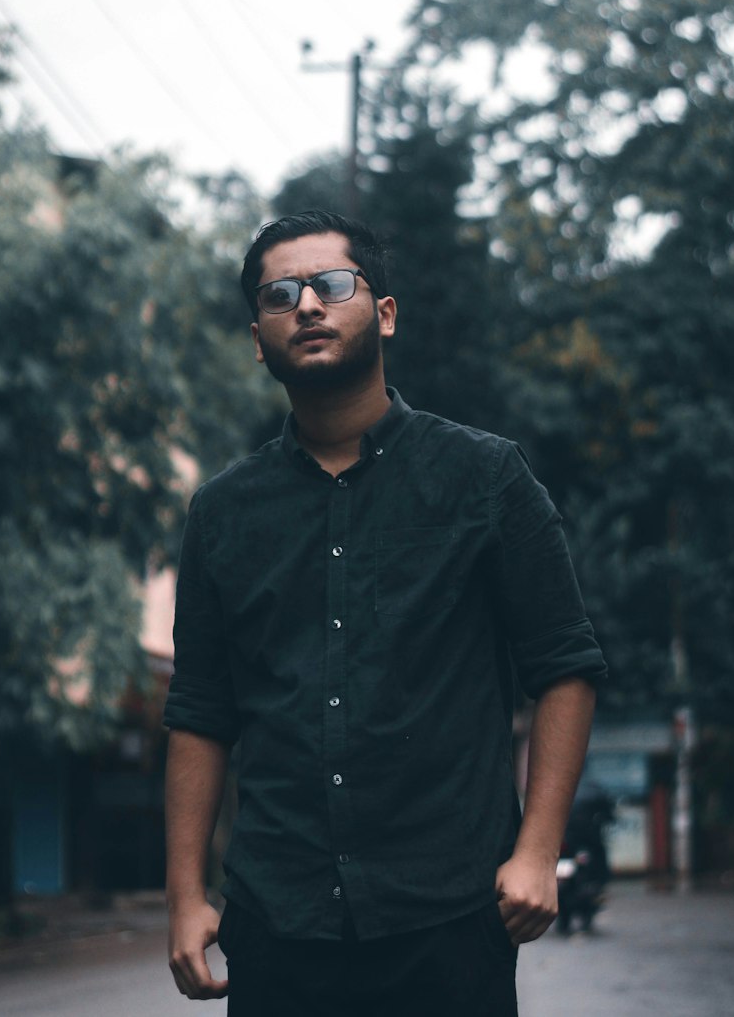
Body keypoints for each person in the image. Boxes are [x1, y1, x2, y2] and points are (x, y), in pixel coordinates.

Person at [164, 210, 607, 1015]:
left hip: (449, 919)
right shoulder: (223, 514)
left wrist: (539, 851)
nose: (307, 304)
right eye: (279, 294)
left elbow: (564, 666)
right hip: (278, 924)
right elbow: (201, 709)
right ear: (258, 339)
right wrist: (185, 893)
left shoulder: (486, 480)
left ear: (386, 312)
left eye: (332, 284)